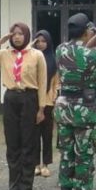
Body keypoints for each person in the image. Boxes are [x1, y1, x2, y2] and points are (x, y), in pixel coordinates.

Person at [0, 22, 47, 190]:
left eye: (20, 34)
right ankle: (13, 187)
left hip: (29, 98)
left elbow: (43, 82)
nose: (16, 37)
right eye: (13, 34)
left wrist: (41, 108)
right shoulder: (4, 54)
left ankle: (26, 188)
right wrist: (0, 41)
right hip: (10, 99)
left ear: (27, 36)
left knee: (28, 144)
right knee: (12, 144)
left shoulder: (36, 55)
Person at [54, 13, 96, 190]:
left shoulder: (60, 50)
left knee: (66, 155)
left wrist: (95, 32)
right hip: (85, 111)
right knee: (83, 156)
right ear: (87, 31)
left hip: (63, 110)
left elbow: (79, 50)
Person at [33, 30, 59, 178]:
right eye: (38, 41)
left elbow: (57, 82)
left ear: (48, 43)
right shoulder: (32, 59)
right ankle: (36, 164)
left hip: (48, 102)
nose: (40, 44)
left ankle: (46, 164)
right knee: (34, 134)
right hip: (33, 101)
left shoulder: (54, 61)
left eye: (43, 41)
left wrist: (54, 97)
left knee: (47, 134)